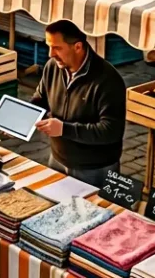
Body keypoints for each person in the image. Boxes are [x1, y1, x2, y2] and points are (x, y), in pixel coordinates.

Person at [30, 20, 127, 188]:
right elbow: (41, 97)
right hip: (58, 160)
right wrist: (23, 116)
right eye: (49, 46)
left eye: (57, 48)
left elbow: (111, 131)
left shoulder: (108, 80)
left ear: (78, 47)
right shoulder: (52, 67)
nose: (50, 54)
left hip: (95, 169)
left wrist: (63, 129)